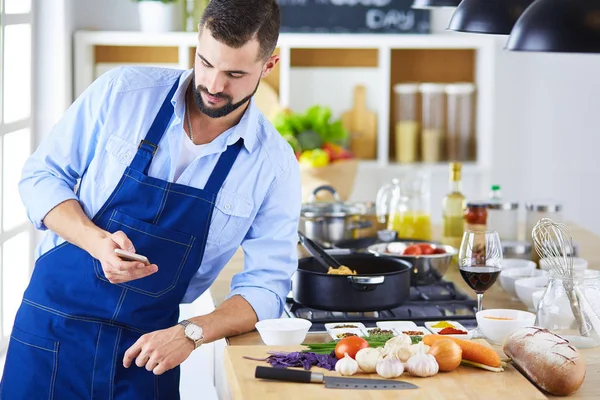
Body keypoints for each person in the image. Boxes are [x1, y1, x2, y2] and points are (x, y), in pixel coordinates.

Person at [0, 0, 301, 398]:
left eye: (234, 73)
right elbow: (42, 177)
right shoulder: (124, 93)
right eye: (206, 63)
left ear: (269, 66)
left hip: (150, 351)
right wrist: (98, 243)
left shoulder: (273, 165)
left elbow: (267, 285)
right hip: (53, 331)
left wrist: (192, 333)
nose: (213, 85)